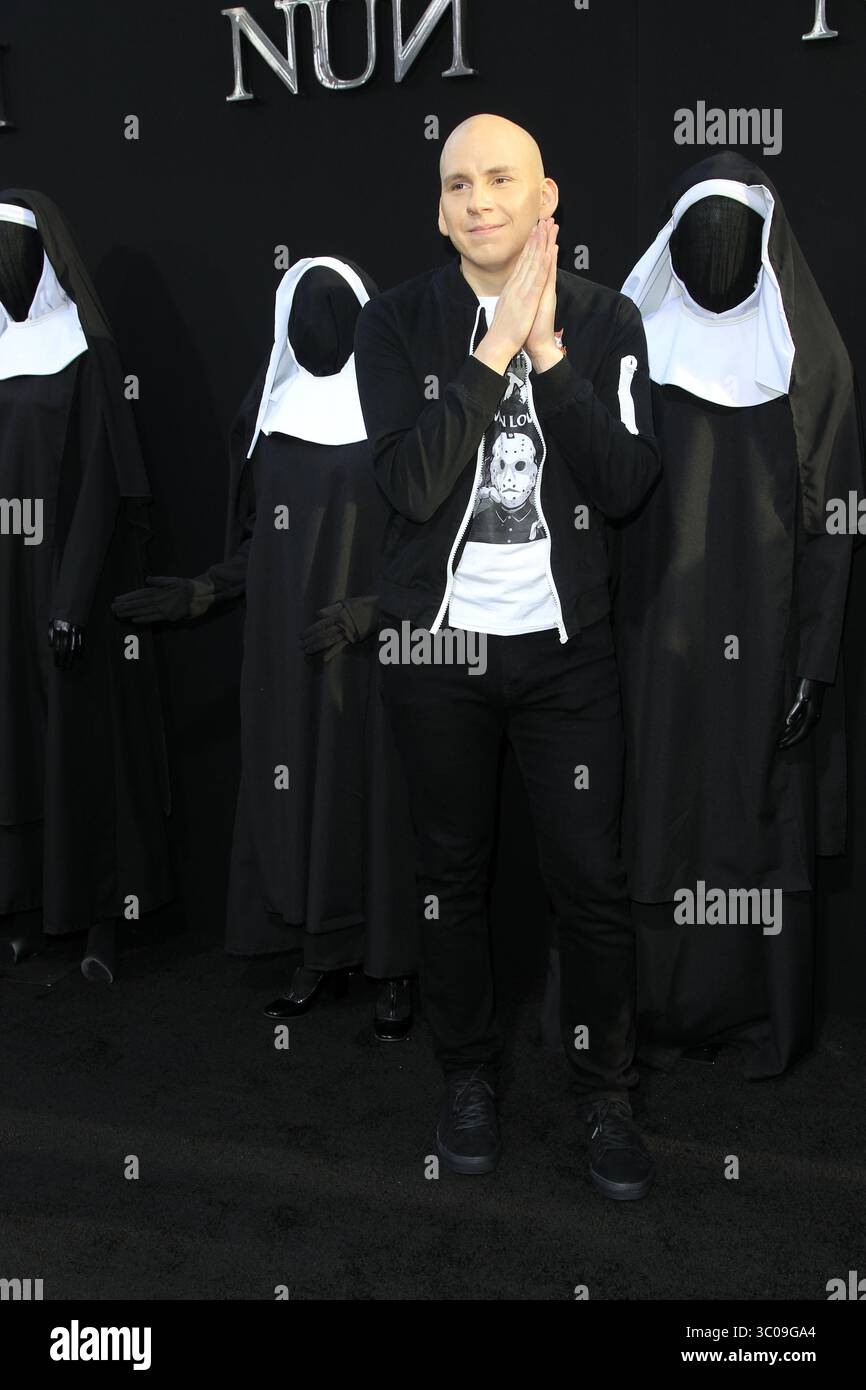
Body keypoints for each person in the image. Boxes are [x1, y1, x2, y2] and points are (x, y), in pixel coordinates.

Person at [354, 113, 661, 1199]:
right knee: (448, 878)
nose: (479, 197)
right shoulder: (391, 326)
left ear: (545, 200)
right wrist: (491, 354)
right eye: (457, 183)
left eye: (500, 178)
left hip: (566, 656)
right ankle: (467, 1078)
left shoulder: (608, 318)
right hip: (435, 651)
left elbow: (625, 487)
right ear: (439, 214)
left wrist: (548, 353)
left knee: (590, 882)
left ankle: (604, 1095)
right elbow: (411, 485)